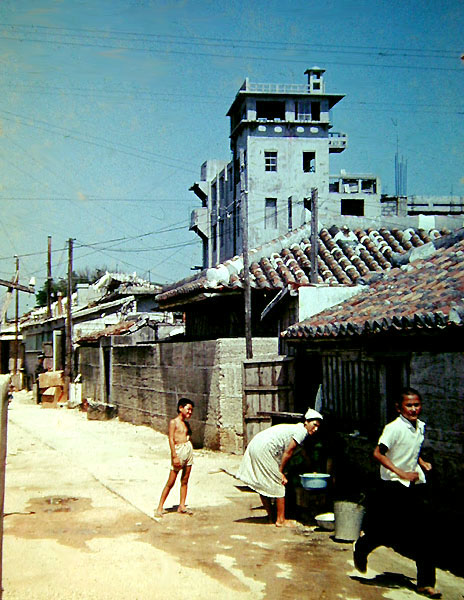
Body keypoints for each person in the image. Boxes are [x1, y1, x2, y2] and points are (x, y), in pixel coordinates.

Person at [353, 388, 441, 599]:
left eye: (416, 405)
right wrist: (401, 472)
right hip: (392, 485)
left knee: (425, 532)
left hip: (413, 484)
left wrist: (421, 462)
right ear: (399, 408)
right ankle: (363, 547)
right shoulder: (393, 428)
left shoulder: (420, 426)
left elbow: (412, 448)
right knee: (388, 531)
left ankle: (425, 583)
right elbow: (378, 453)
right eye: (409, 405)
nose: (413, 409)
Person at [236, 408, 323, 527]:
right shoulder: (301, 431)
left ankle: (271, 517)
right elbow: (288, 452)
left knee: (264, 482)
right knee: (279, 483)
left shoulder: (297, 429)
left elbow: (302, 453)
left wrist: (311, 468)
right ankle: (280, 520)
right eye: (314, 425)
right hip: (264, 449)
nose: (316, 429)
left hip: (256, 445)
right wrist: (280, 472)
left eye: (318, 426)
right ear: (306, 422)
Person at [155, 398, 195, 517]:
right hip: (178, 451)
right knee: (171, 481)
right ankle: (160, 507)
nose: (190, 412)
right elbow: (171, 439)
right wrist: (174, 456)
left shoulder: (186, 423)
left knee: (185, 479)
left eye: (191, 410)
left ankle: (182, 505)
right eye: (188, 409)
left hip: (187, 450)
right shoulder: (174, 422)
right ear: (180, 408)